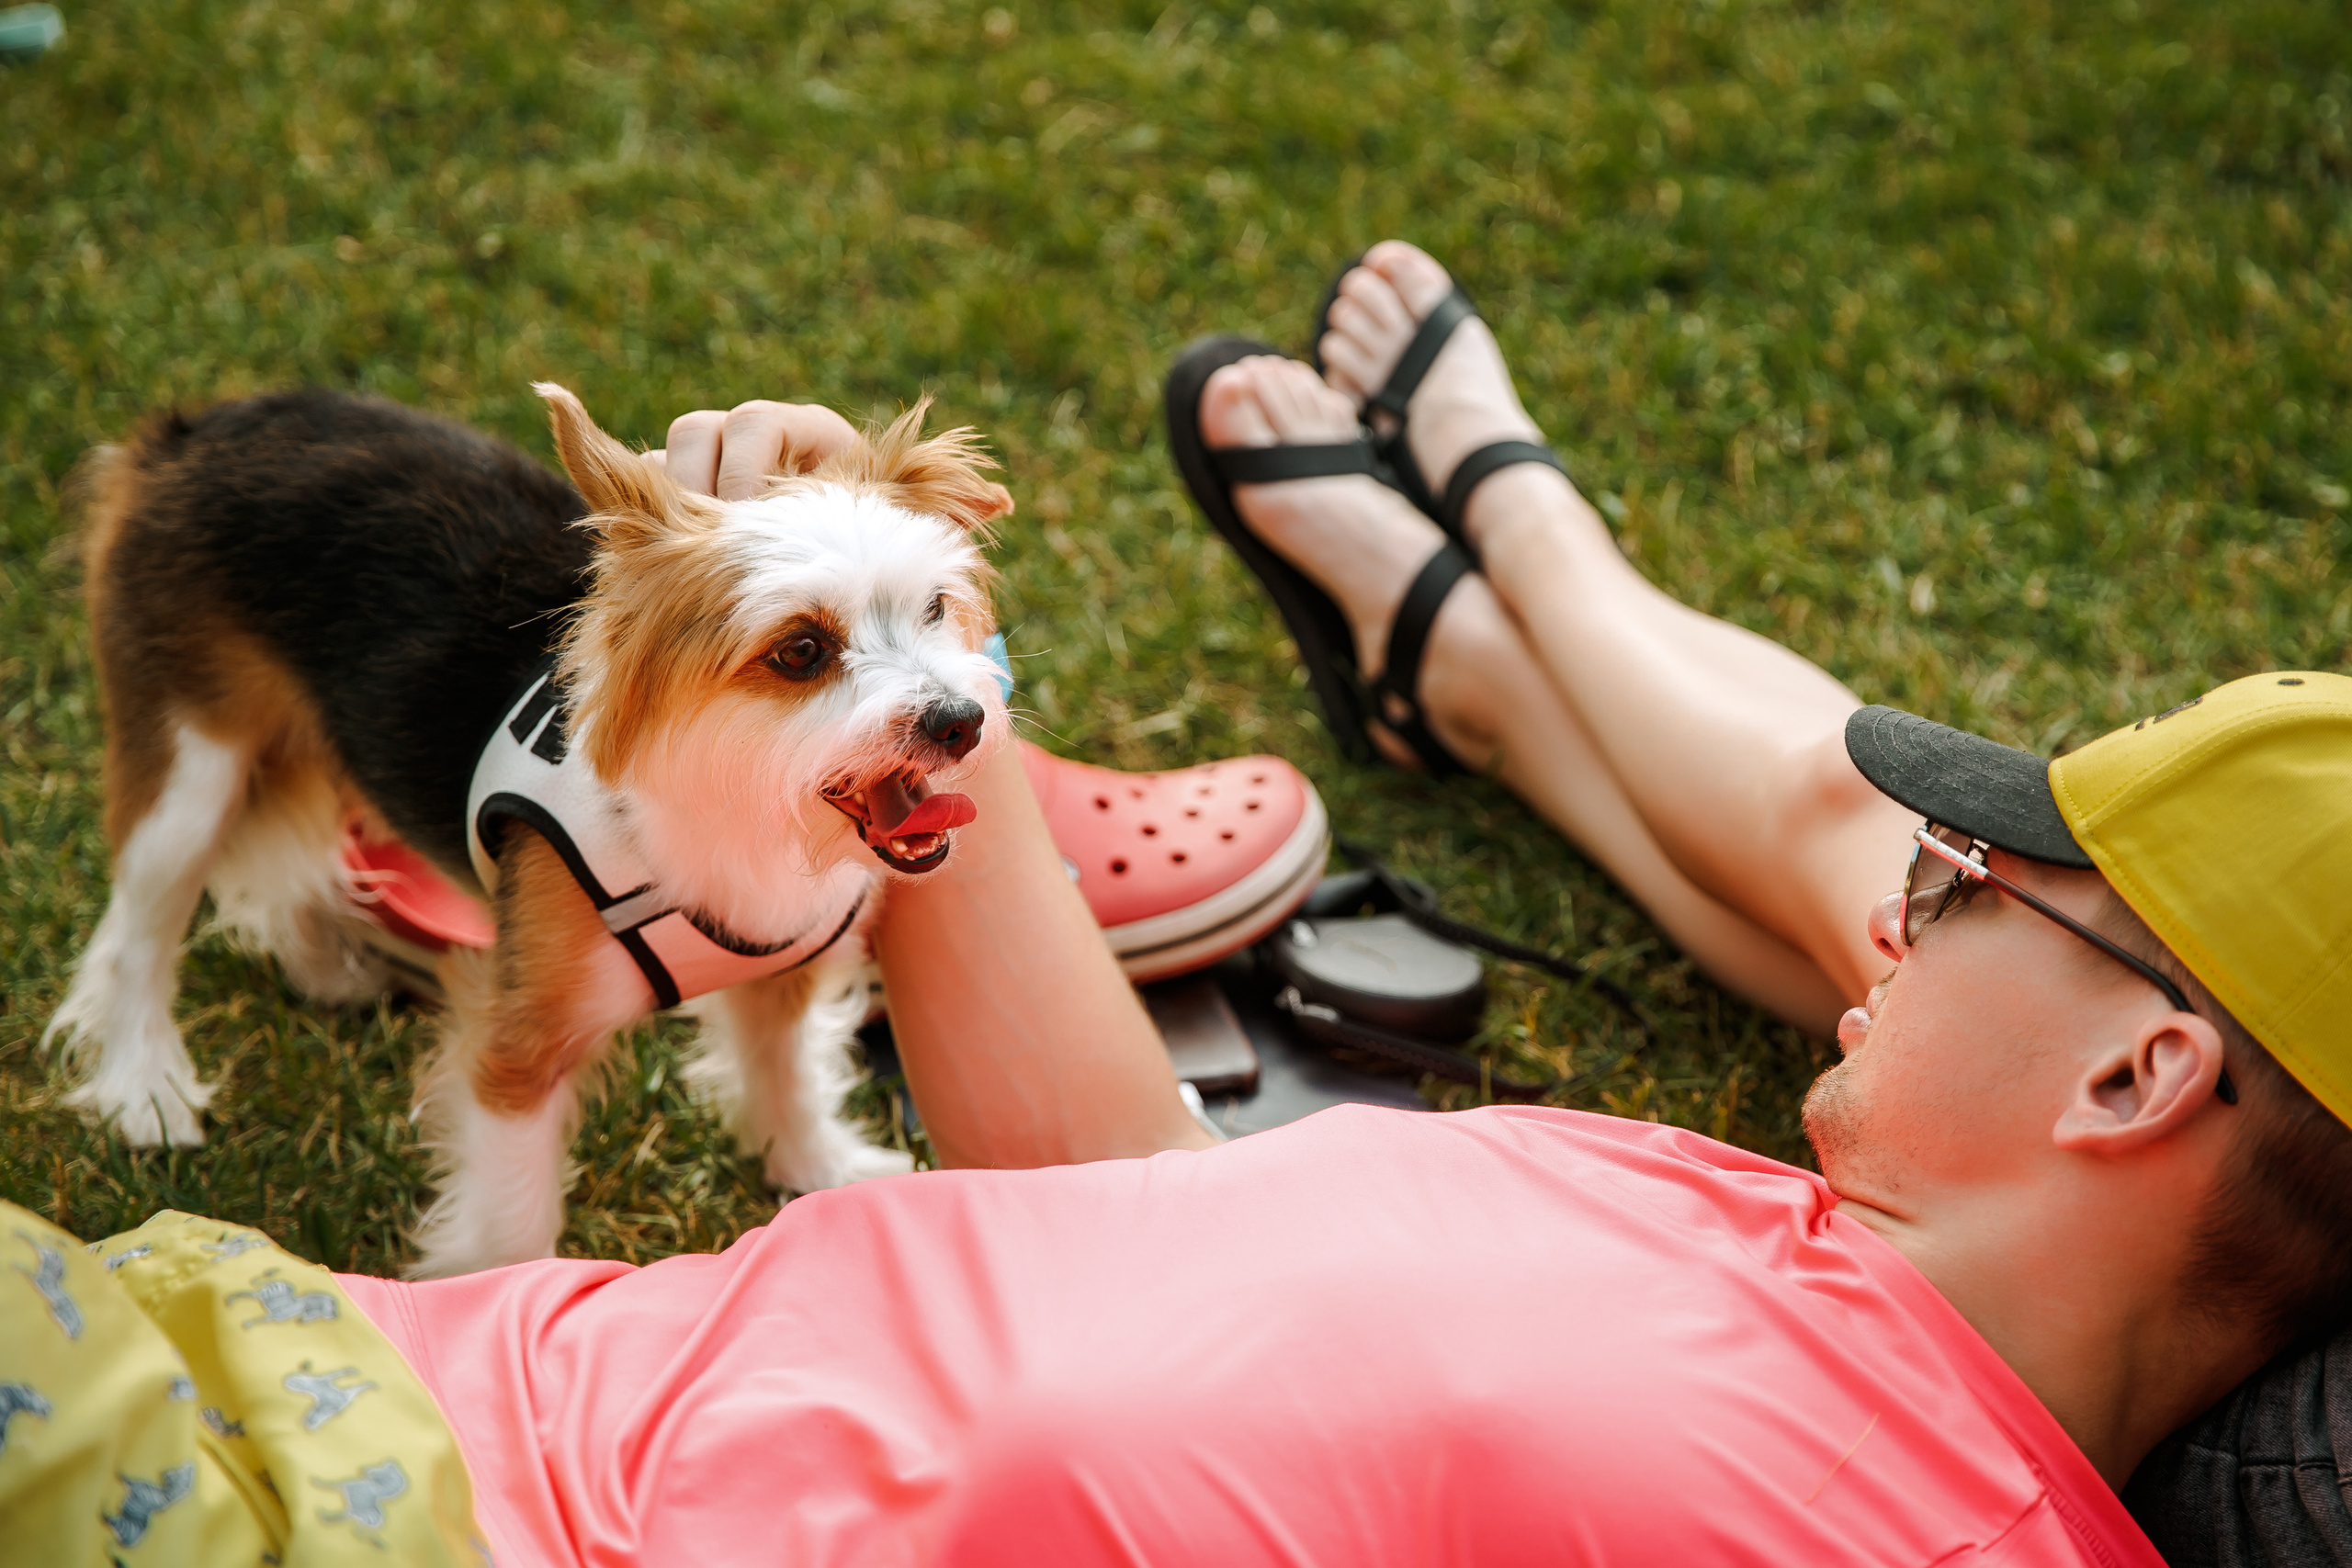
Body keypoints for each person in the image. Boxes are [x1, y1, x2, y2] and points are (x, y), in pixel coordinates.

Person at [7, 243, 2349, 1567]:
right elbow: (1130, 1219)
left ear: (2143, 1063)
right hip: (333, 1368)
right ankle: (1474, 613)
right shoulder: (1748, 1215)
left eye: (1961, 884)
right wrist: (921, 727)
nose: (1894, 909)